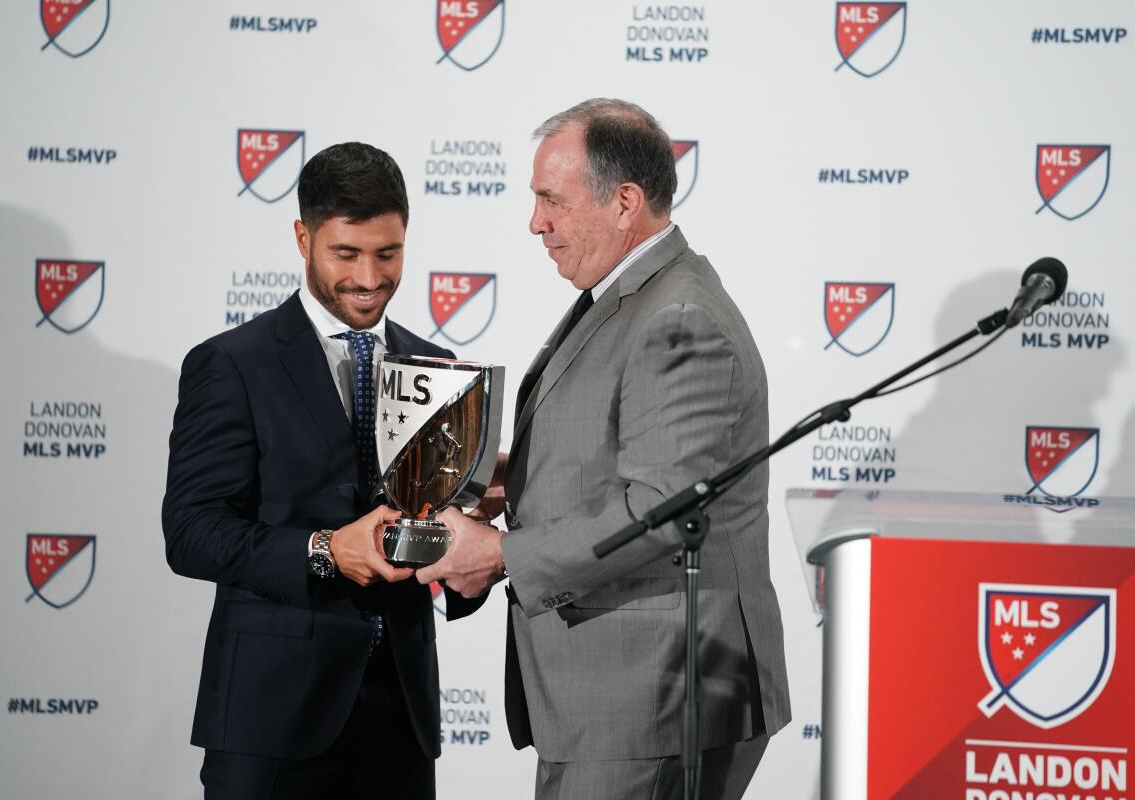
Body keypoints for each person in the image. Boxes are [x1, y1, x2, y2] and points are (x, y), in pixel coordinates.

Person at [416, 99, 791, 799]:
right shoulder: (630, 294)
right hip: (621, 698)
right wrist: (509, 480)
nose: (536, 222)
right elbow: (630, 456)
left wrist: (499, 553)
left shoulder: (677, 316)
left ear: (624, 203)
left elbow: (662, 507)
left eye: (550, 200)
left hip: (653, 701)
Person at [163, 141, 480, 799]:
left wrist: (473, 524)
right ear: (303, 237)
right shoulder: (231, 363)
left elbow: (445, 549)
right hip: (270, 720)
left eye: (387, 254)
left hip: (401, 719)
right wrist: (324, 551)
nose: (369, 277)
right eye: (346, 254)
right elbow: (192, 531)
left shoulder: (439, 367)